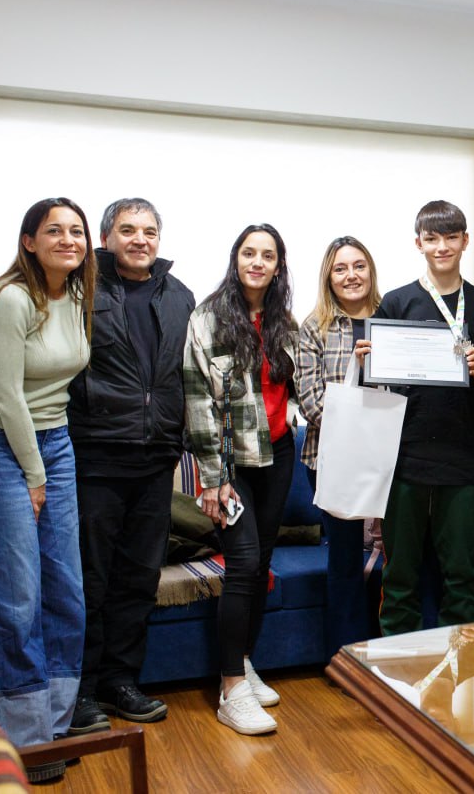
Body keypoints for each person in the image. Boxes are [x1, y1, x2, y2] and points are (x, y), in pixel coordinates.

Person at [0, 197, 94, 782]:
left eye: (76, 230)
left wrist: (46, 465)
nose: (68, 239)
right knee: (15, 599)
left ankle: (51, 728)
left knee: (66, 592)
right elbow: (8, 396)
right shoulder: (10, 299)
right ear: (29, 241)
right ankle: (20, 739)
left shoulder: (78, 297)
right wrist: (34, 476)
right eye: (53, 230)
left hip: (55, 443)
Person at [67, 198, 194, 735]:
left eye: (149, 231)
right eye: (127, 230)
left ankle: (121, 681)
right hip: (96, 455)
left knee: (138, 579)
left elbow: (189, 372)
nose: (140, 239)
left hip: (156, 457)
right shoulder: (80, 288)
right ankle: (80, 690)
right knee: (89, 580)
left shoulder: (179, 295)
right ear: (106, 237)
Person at [183, 224, 298, 736]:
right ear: (236, 259)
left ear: (278, 266)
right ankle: (230, 689)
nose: (257, 262)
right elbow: (197, 402)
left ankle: (245, 662)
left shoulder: (283, 321)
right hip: (232, 466)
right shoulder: (208, 318)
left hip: (279, 454)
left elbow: (296, 388)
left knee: (262, 564)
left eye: (267, 255)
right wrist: (213, 479)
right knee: (243, 563)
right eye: (249, 253)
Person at [372, 200, 474, 635]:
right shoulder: (396, 302)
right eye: (432, 238)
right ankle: (396, 662)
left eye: (451, 237)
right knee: (399, 575)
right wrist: (367, 361)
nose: (442, 246)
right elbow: (377, 384)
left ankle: (460, 660)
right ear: (419, 243)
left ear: (465, 241)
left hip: (463, 459)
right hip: (404, 458)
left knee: (461, 575)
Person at [295, 236, 381, 654]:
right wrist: (355, 369)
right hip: (332, 460)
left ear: (371, 270)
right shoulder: (315, 327)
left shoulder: (393, 318)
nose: (351, 275)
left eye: (359, 266)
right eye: (340, 268)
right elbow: (311, 403)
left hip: (390, 458)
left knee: (402, 559)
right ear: (328, 276)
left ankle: (390, 651)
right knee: (345, 559)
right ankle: (346, 658)